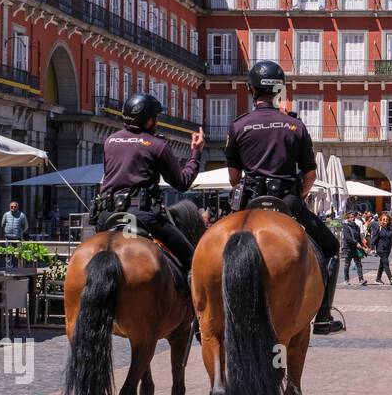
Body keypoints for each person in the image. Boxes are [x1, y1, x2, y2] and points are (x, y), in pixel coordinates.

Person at [223, 61, 341, 332]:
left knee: (209, 247)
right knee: (332, 248)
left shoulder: (238, 127)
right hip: (286, 202)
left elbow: (233, 178)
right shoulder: (294, 126)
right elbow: (309, 175)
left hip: (249, 203)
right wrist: (297, 196)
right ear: (278, 90)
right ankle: (322, 316)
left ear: (252, 90)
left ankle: (202, 317)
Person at [96, 94, 204, 275]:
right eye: (156, 118)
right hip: (143, 216)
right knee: (194, 261)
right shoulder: (157, 145)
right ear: (148, 121)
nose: (157, 122)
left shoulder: (110, 142)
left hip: (106, 215)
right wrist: (195, 153)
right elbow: (182, 183)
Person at [370, 212, 392, 284]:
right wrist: (372, 248)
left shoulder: (390, 228)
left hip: (388, 249)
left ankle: (378, 279)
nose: (385, 221)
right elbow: (373, 238)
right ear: (381, 220)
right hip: (380, 249)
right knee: (386, 263)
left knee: (382, 264)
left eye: (386, 220)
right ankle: (391, 278)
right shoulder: (378, 228)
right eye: (384, 219)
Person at [341, 210, 366, 286]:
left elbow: (358, 238)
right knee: (347, 264)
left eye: (353, 217)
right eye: (351, 217)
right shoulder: (346, 226)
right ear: (348, 219)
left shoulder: (357, 227)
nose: (353, 218)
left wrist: (362, 246)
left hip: (356, 248)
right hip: (348, 248)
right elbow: (348, 238)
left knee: (358, 263)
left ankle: (361, 280)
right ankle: (346, 279)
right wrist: (356, 243)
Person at [1, 200, 28, 269]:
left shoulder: (22, 215)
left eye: (14, 207)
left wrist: (21, 232)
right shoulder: (6, 214)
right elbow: (2, 224)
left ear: (17, 207)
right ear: (9, 207)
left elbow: (26, 226)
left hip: (18, 238)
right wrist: (6, 231)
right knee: (8, 253)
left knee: (19, 253)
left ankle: (20, 268)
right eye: (11, 207)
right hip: (8, 237)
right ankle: (8, 268)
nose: (13, 208)